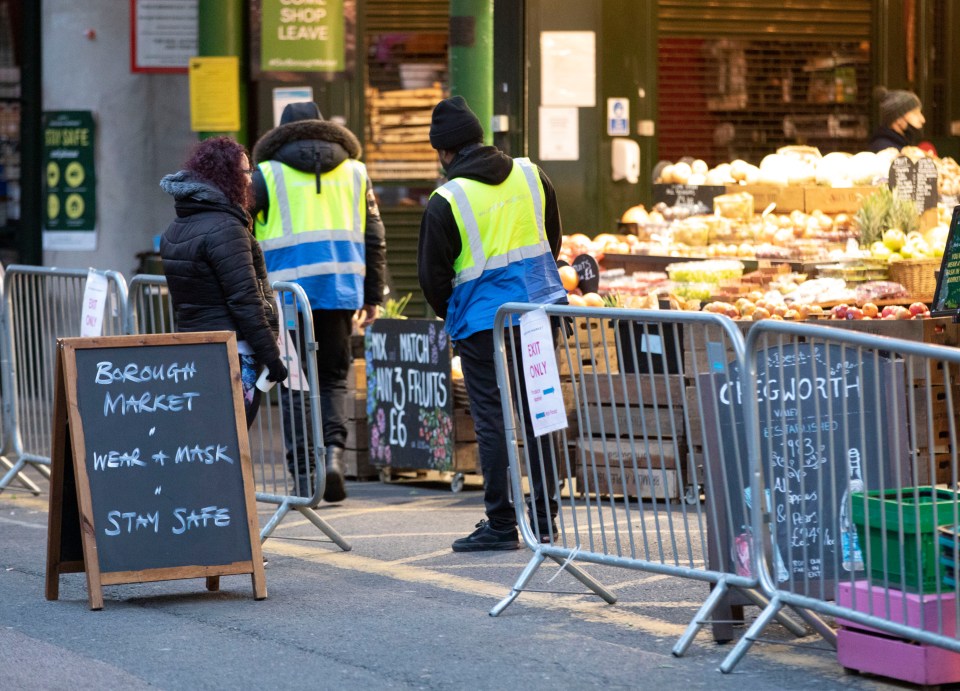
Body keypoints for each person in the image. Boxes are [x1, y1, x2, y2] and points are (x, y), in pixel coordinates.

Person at [418, 96, 568, 552]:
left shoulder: (447, 199)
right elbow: (553, 237)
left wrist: (457, 312)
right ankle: (544, 521)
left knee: (493, 420)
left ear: (444, 152)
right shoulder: (530, 173)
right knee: (539, 413)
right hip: (540, 312)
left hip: (483, 327)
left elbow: (432, 278)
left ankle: (502, 523)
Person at [251, 102, 387, 502]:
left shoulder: (266, 174)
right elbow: (375, 237)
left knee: (295, 384)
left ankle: (304, 473)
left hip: (287, 296)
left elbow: (242, 234)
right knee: (332, 379)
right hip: (339, 291)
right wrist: (373, 294)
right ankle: (333, 458)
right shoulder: (356, 172)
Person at [159, 136, 288, 428]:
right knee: (232, 438)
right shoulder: (226, 229)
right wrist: (272, 356)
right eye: (246, 171)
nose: (250, 178)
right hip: (235, 354)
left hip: (195, 351)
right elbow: (245, 299)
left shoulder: (176, 227)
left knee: (208, 439)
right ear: (228, 177)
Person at [868, 88, 925, 153]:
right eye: (915, 113)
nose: (923, 120)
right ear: (898, 119)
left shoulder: (904, 143)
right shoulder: (884, 149)